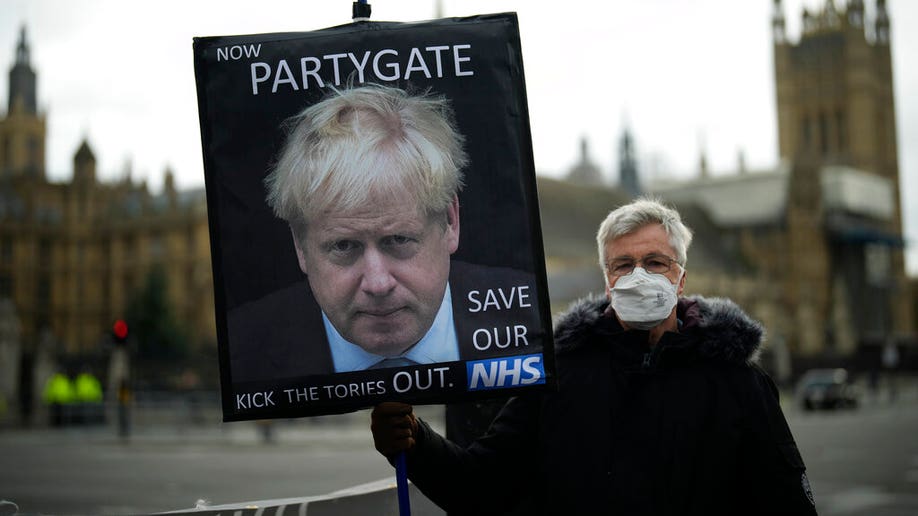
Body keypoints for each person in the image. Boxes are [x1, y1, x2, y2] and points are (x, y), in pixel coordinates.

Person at [371, 197, 818, 515]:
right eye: (623, 265)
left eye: (656, 262)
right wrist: (414, 441)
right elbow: (481, 485)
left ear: (680, 279)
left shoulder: (737, 382)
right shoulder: (558, 377)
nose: (639, 275)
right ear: (607, 281)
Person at [228, 84, 539, 379]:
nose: (378, 284)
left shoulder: (533, 321)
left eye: (398, 240)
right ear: (300, 245)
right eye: (344, 246)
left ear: (450, 221)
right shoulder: (243, 352)